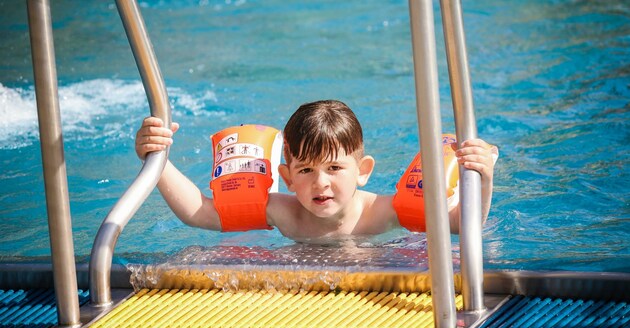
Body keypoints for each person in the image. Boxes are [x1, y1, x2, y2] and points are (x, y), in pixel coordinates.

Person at [135, 100, 496, 241]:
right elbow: (200, 213)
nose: (320, 182)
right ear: (288, 176)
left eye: (335, 168)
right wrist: (157, 160)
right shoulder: (284, 212)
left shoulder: (386, 213)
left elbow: (463, 224)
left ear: (363, 171)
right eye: (305, 170)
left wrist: (484, 177)